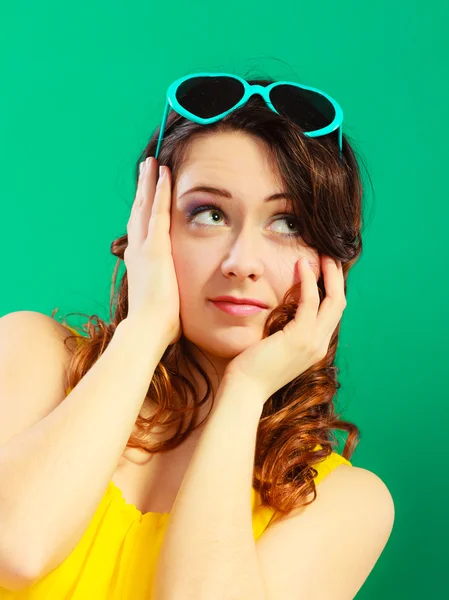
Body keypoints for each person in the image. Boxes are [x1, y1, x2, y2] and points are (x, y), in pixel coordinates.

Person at [0, 72, 394, 598]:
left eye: (289, 224)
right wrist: (145, 328)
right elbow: (16, 551)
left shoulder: (344, 503)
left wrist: (244, 391)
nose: (241, 263)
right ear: (151, 222)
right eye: (209, 214)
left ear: (333, 262)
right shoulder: (32, 354)